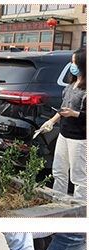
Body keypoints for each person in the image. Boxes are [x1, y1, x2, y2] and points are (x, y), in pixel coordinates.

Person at [36, 48, 86, 202]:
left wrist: (75, 114)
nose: (72, 65)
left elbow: (76, 112)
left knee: (79, 177)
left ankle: (80, 207)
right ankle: (58, 202)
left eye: (75, 62)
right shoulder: (71, 84)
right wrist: (51, 121)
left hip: (80, 138)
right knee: (59, 171)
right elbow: (64, 108)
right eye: (71, 62)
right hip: (63, 134)